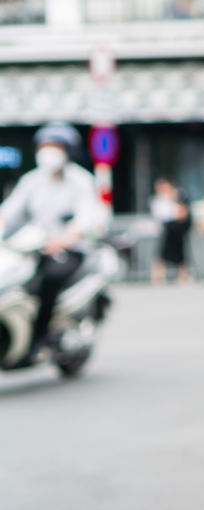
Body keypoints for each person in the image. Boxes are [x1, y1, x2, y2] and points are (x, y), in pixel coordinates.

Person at [0, 123, 107, 367]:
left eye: (55, 147)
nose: (49, 152)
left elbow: (86, 218)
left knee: (47, 281)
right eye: (45, 147)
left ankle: (39, 340)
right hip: (33, 248)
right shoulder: (32, 181)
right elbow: (9, 211)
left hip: (69, 250)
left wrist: (65, 239)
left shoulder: (81, 181)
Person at [150, 177, 192, 284]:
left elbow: (182, 211)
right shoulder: (158, 199)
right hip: (167, 227)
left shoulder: (178, 194)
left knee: (180, 253)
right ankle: (158, 278)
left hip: (178, 227)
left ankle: (183, 277)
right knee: (162, 253)